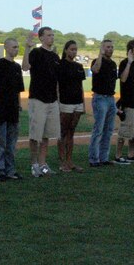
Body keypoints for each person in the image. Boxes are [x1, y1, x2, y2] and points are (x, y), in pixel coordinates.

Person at [23, 27, 60, 177]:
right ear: (41, 38)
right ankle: (34, 165)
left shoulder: (55, 56)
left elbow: (57, 80)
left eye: (53, 35)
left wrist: (57, 97)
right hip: (38, 99)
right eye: (49, 35)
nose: (52, 37)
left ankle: (43, 163)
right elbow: (25, 67)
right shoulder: (36, 53)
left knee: (46, 135)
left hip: (52, 100)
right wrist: (26, 48)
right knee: (35, 135)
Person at [0, 38, 25, 181]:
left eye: (17, 47)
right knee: (1, 143)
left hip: (12, 110)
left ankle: (10, 170)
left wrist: (19, 104)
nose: (16, 49)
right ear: (7, 48)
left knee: (11, 144)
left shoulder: (16, 67)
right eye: (14, 47)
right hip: (0, 110)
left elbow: (18, 90)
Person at [57, 39, 86, 172]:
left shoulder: (79, 67)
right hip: (65, 103)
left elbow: (80, 87)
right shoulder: (60, 65)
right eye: (71, 49)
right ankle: (62, 162)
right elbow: (56, 85)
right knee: (63, 131)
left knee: (71, 132)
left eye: (75, 50)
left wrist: (83, 104)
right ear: (66, 50)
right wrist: (57, 102)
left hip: (77, 103)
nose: (74, 52)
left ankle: (70, 161)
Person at [88, 39, 118, 167]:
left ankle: (104, 157)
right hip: (100, 98)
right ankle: (94, 158)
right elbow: (95, 70)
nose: (110, 49)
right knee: (98, 129)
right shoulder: (96, 61)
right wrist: (100, 55)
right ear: (102, 48)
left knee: (108, 129)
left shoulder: (113, 64)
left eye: (111, 47)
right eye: (107, 47)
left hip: (110, 98)